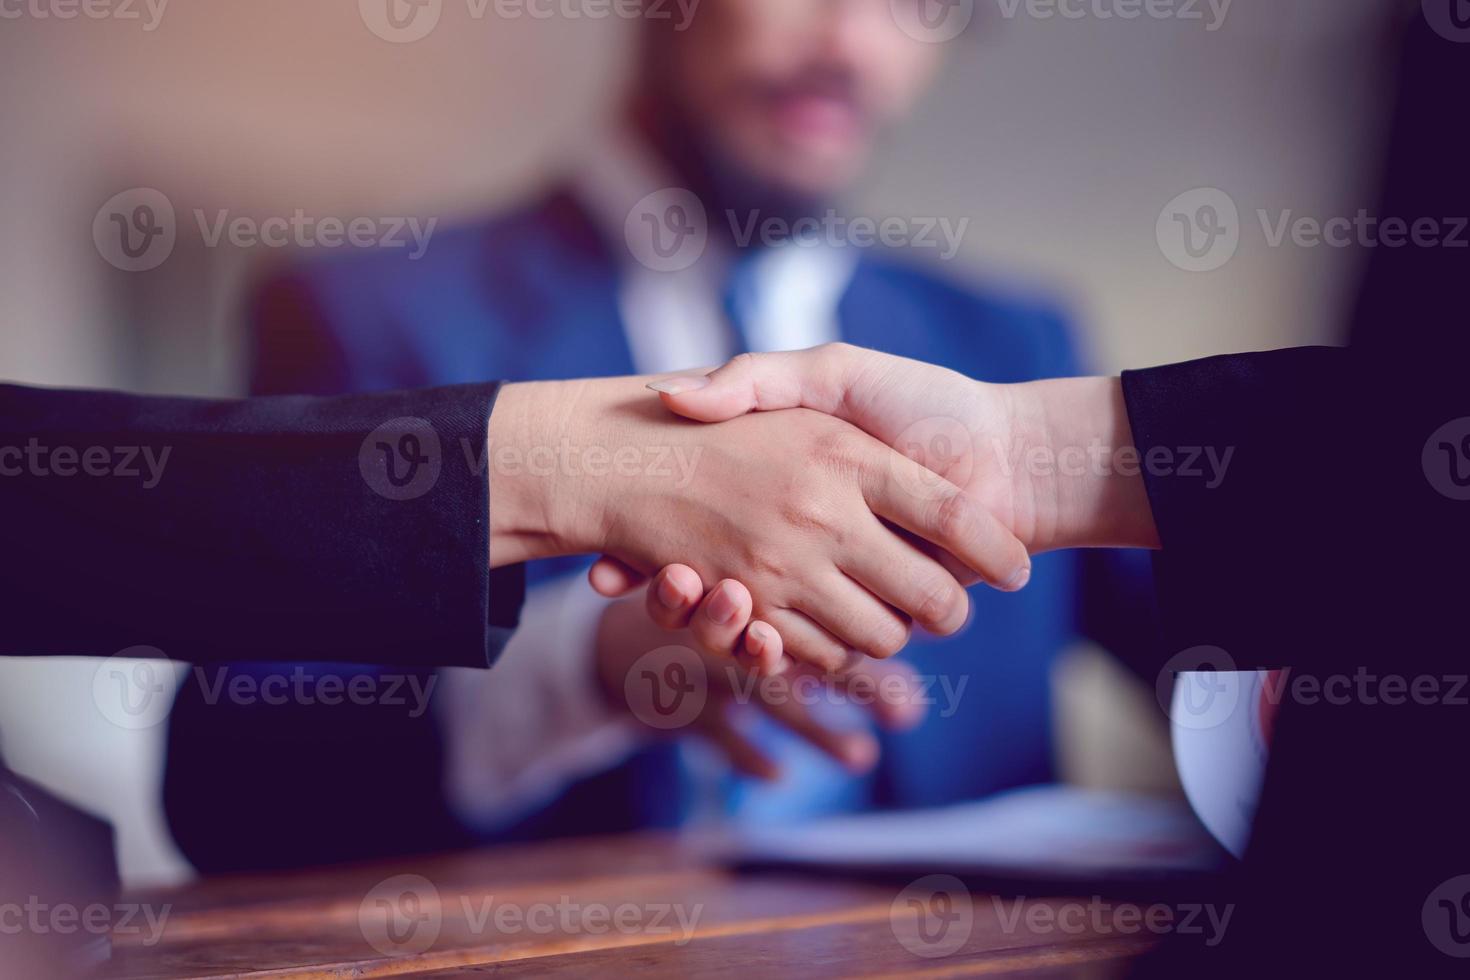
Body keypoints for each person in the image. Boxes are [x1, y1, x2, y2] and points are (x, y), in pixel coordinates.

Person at [164, 0, 1159, 870]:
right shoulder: (367, 313)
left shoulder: (1019, 344)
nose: (852, 39)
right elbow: (232, 790)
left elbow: (1240, 670)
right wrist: (583, 670)